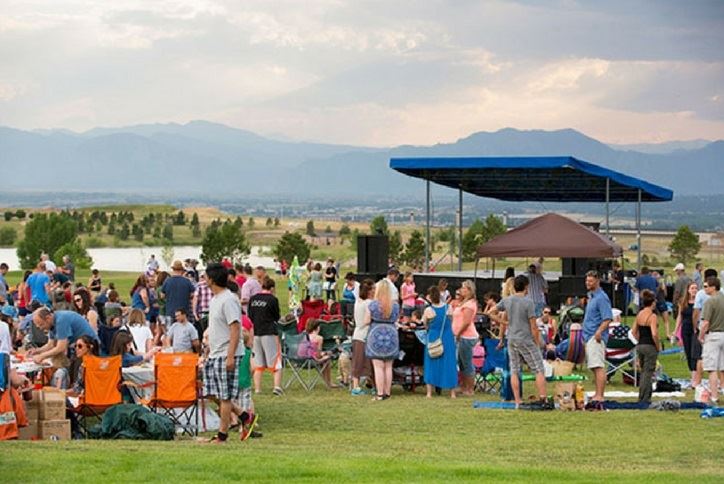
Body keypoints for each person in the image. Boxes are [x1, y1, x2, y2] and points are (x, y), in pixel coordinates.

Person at [489, 275, 549, 408]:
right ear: (526, 287)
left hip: (511, 338)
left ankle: (517, 401)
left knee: (515, 369)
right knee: (538, 368)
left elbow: (491, 312)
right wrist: (538, 341)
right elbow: (533, 325)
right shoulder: (528, 302)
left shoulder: (507, 300)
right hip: (526, 338)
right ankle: (543, 398)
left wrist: (504, 322)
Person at [202, 262, 244, 443]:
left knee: (225, 396)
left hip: (227, 353)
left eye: (205, 276)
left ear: (211, 279)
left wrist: (230, 356)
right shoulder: (215, 299)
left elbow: (235, 328)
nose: (203, 279)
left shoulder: (229, 299)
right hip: (214, 353)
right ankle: (243, 415)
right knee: (210, 392)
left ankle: (222, 435)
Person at [581, 270, 613, 410]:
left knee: (598, 365)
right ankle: (597, 392)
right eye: (587, 281)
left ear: (597, 281)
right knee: (594, 366)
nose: (588, 283)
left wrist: (599, 332)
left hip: (596, 336)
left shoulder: (601, 298)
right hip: (588, 336)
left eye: (591, 281)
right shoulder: (591, 297)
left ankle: (600, 395)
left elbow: (607, 318)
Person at [365, 279, 400, 401]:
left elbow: (366, 321)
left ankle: (380, 394)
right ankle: (387, 393)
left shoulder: (372, 305)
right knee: (389, 366)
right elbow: (397, 319)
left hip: (376, 334)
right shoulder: (395, 305)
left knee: (378, 366)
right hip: (391, 334)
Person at [248, 277, 283, 395]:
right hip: (269, 332)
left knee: (258, 363)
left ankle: (257, 389)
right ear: (272, 288)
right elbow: (276, 316)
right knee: (276, 361)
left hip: (256, 332)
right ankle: (277, 387)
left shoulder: (253, 299)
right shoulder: (272, 299)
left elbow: (250, 316)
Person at [29, 308, 98, 367]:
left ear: (48, 318)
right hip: (80, 348)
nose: (41, 328)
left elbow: (61, 347)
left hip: (91, 349)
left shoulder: (61, 320)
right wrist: (37, 351)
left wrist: (42, 356)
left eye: (41, 324)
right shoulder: (52, 322)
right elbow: (50, 344)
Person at [422, 285, 457, 399]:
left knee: (431, 363)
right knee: (449, 363)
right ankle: (452, 393)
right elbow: (451, 321)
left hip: (433, 336)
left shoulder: (428, 310)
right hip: (447, 337)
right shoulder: (449, 308)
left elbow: (425, 324)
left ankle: (429, 393)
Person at [632, 290, 660, 404]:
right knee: (648, 373)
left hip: (640, 345)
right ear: (652, 303)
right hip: (649, 346)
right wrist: (657, 346)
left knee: (644, 371)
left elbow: (634, 331)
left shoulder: (640, 314)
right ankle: (644, 397)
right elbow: (654, 333)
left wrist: (639, 341)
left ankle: (642, 395)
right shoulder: (652, 316)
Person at [699, 276, 724, 404]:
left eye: (706, 286)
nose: (704, 289)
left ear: (713, 287)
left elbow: (706, 322)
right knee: (722, 367)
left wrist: (701, 335)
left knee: (712, 368)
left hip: (713, 336)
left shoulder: (710, 301)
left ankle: (714, 396)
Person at [452, 280, 478, 396]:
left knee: (467, 363)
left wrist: (458, 334)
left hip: (466, 336)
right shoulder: (462, 303)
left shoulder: (470, 305)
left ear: (469, 290)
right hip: (460, 336)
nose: (461, 290)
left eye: (463, 288)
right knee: (462, 363)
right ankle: (463, 386)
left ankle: (470, 388)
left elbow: (467, 322)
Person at [675, 281, 703, 387]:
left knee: (694, 353)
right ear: (688, 290)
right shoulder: (683, 302)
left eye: (696, 288)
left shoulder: (700, 301)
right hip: (685, 329)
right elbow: (679, 316)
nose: (694, 290)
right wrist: (675, 330)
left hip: (696, 329)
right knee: (688, 352)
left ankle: (695, 378)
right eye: (692, 288)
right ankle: (693, 374)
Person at [351, 279, 375, 396]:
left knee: (361, 361)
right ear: (369, 291)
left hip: (357, 335)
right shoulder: (369, 303)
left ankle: (368, 384)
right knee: (361, 362)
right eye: (373, 289)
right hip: (363, 336)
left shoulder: (358, 301)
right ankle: (355, 387)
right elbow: (367, 320)